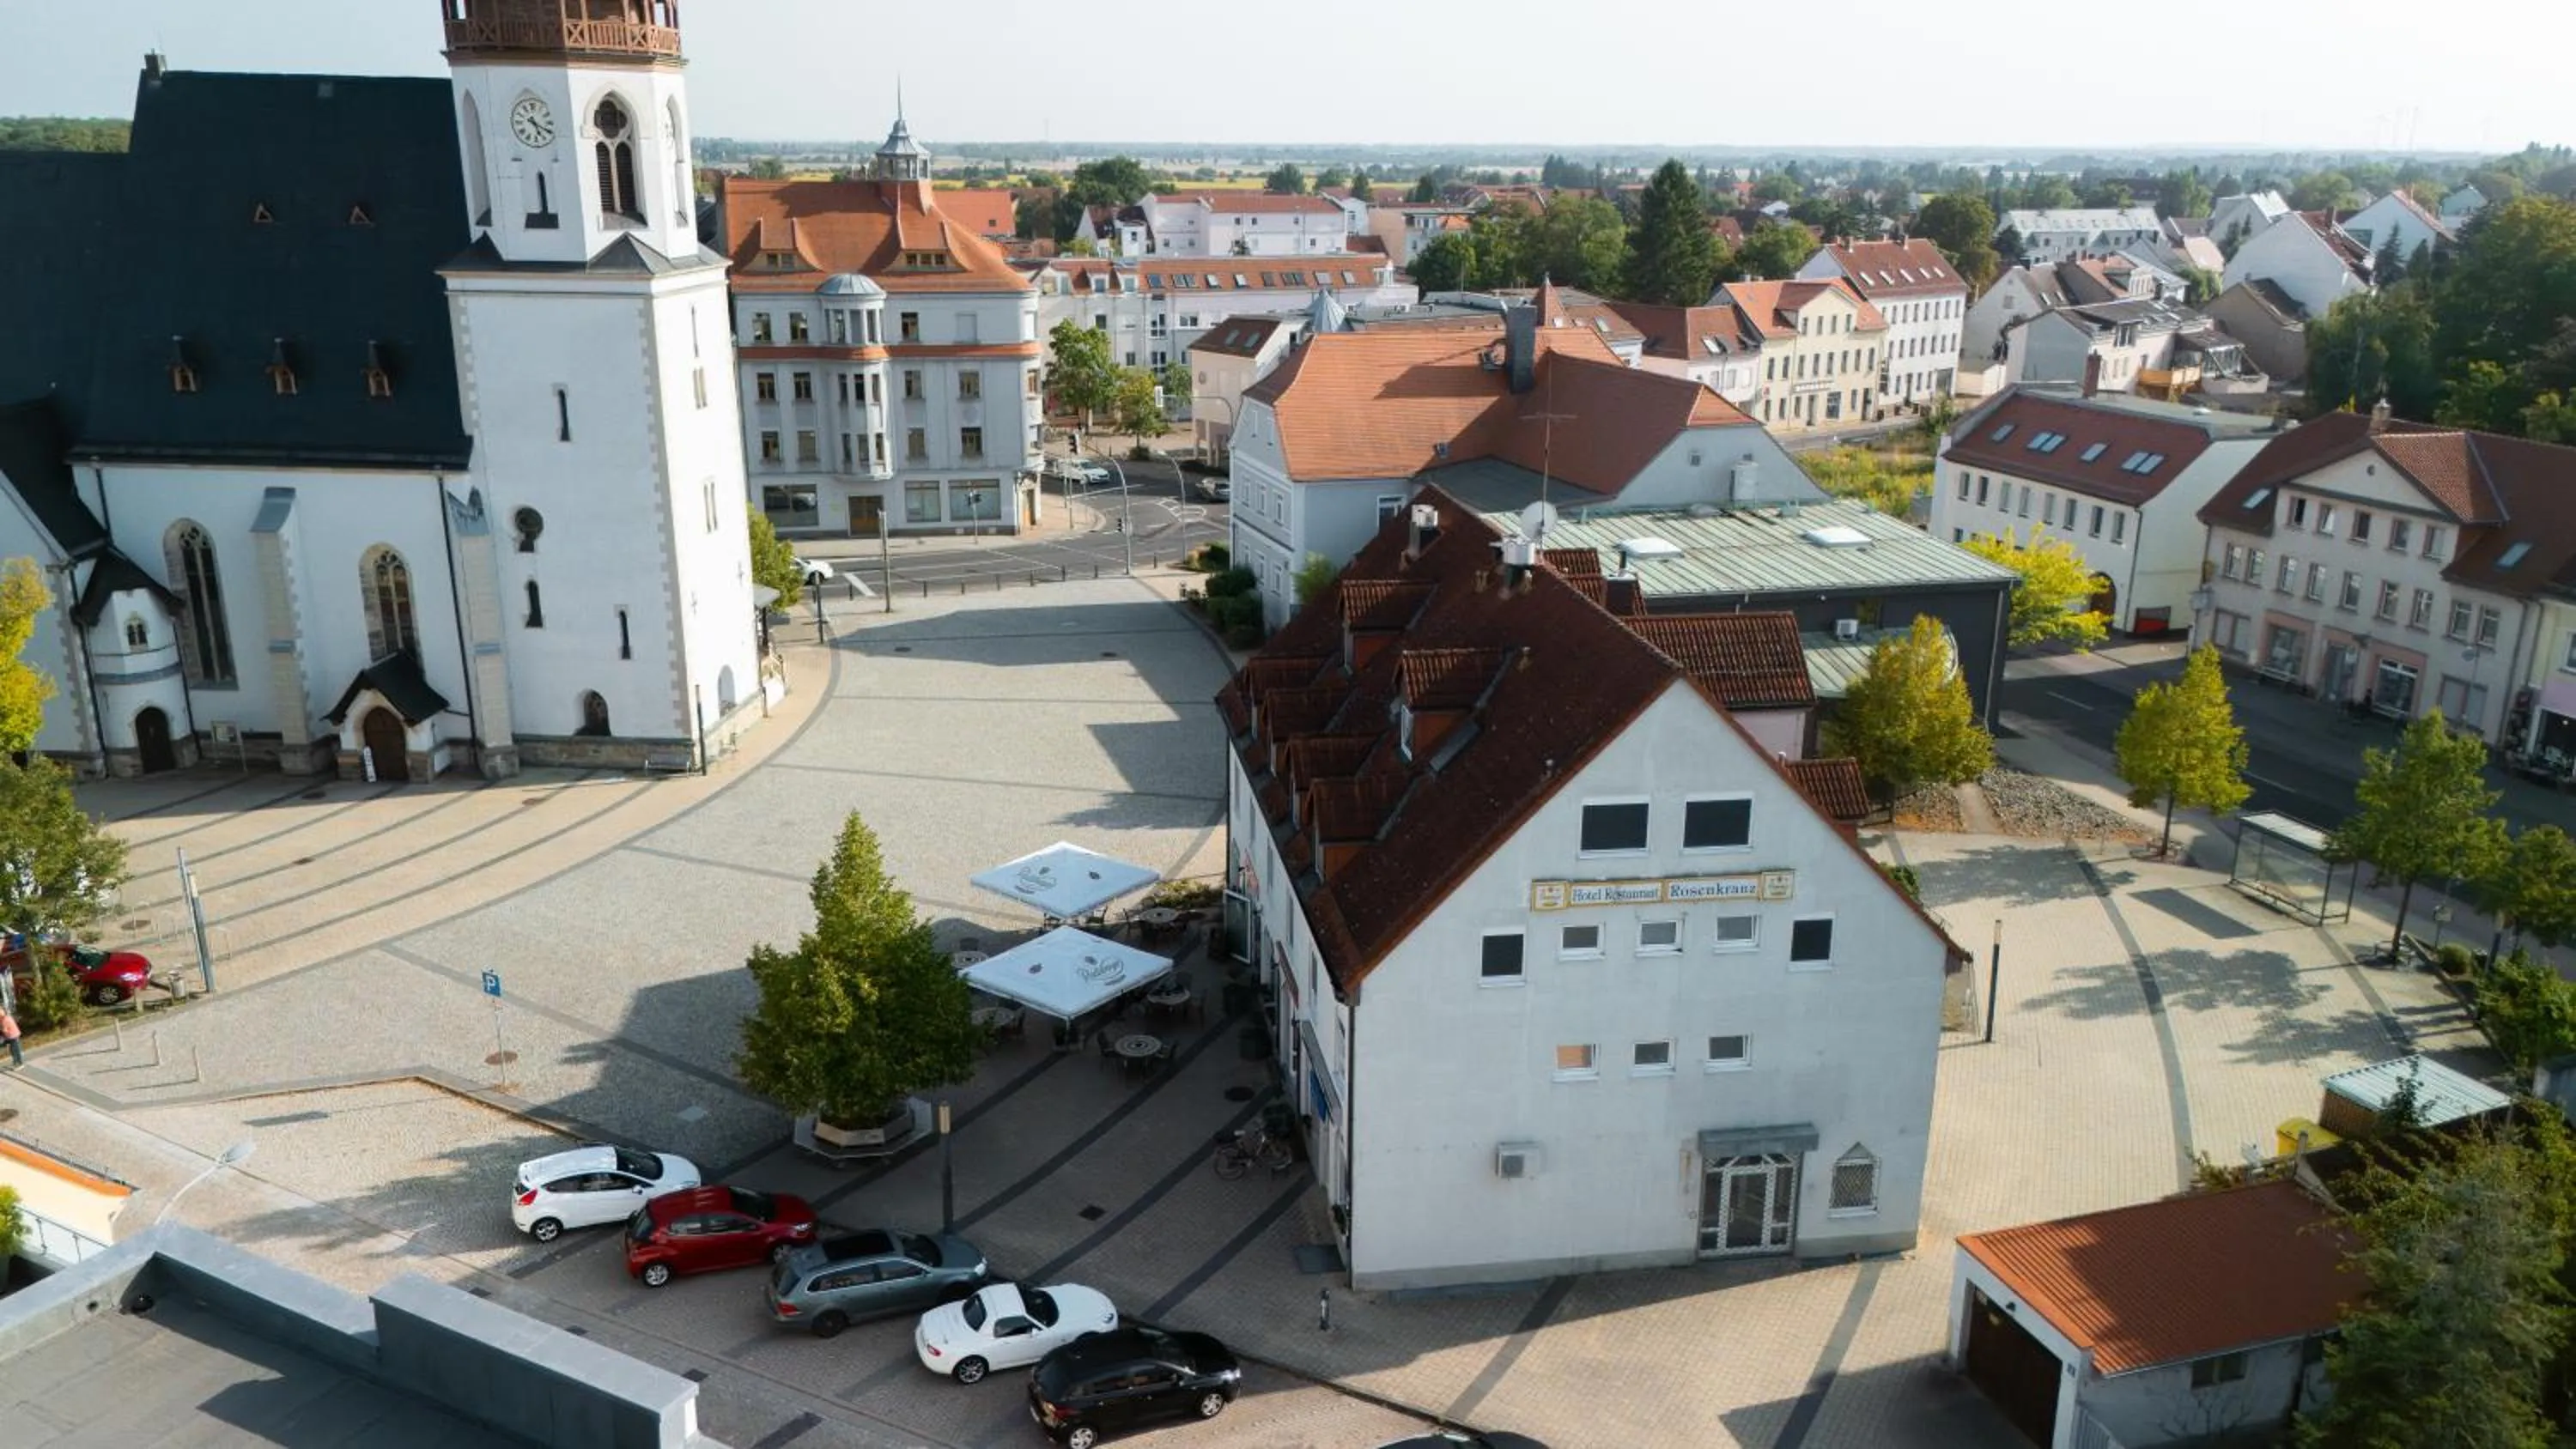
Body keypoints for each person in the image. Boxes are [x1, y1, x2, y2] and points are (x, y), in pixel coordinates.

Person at [1, 1004, 21, 1069]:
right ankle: (16, 1062)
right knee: (14, 1050)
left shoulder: (4, 1021)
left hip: (13, 1036)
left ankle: (19, 1064)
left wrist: (5, 1041)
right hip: (14, 1035)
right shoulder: (7, 1017)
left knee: (15, 1051)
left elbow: (5, 1032)